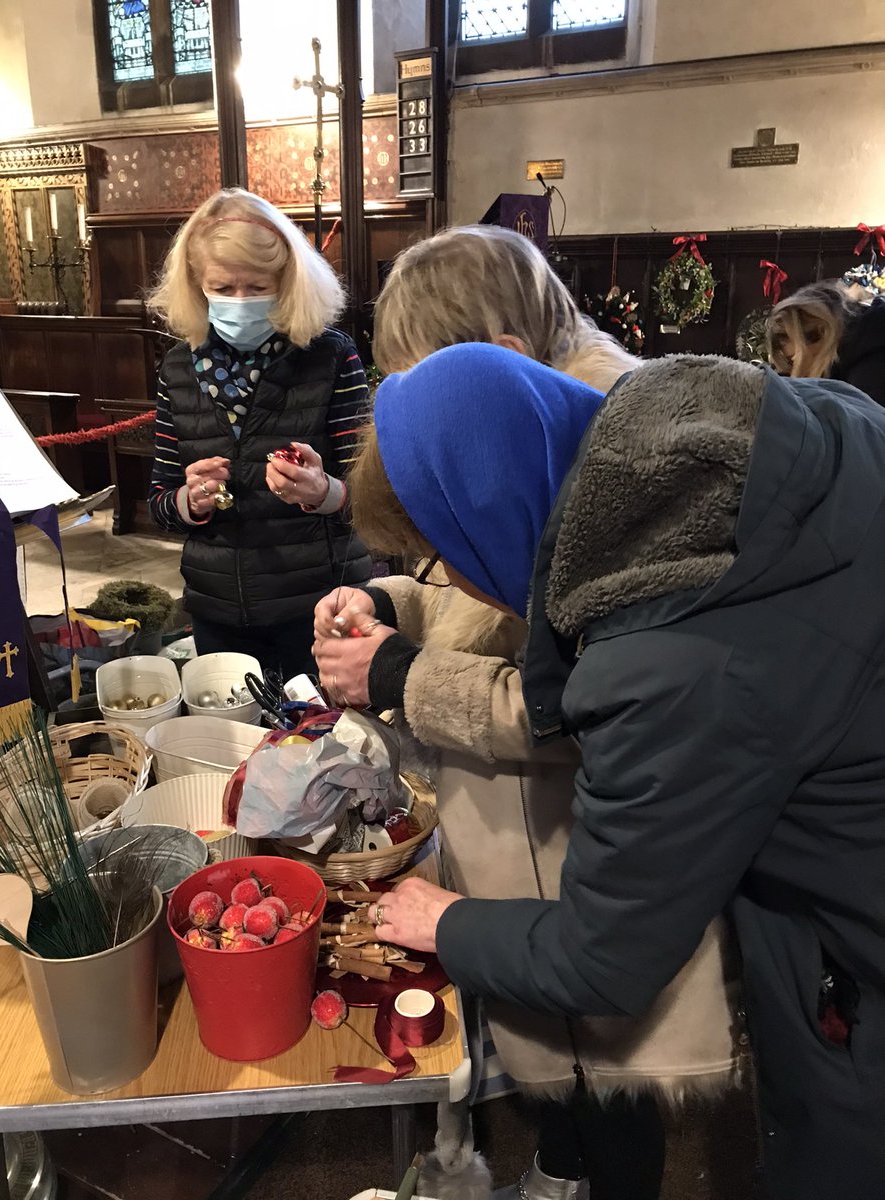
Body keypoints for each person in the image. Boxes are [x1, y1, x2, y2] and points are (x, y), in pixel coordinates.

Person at [340, 340, 885, 1200]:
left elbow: (604, 957)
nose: (446, 580)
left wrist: (444, 920)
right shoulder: (693, 425)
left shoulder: (662, 659)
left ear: (485, 521)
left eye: (439, 557)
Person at [314, 228, 740, 1200]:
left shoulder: (621, 473)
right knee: (560, 1064)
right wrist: (390, 605)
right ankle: (558, 1167)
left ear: (495, 358)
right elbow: (472, 599)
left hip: (596, 845)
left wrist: (399, 679)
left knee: (618, 1071)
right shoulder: (529, 430)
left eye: (420, 376)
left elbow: (574, 703)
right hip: (524, 837)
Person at [146, 187, 370, 673]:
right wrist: (190, 500)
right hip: (218, 607)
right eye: (223, 289)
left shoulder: (331, 356)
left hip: (318, 603)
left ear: (287, 281)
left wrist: (324, 491)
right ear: (195, 284)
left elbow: (375, 500)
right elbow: (160, 503)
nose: (241, 302)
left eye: (257, 286)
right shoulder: (178, 368)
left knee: (323, 739)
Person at [768, 279, 885, 405]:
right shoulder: (861, 346)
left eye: (795, 358)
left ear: (822, 332)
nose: (797, 367)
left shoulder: (869, 374)